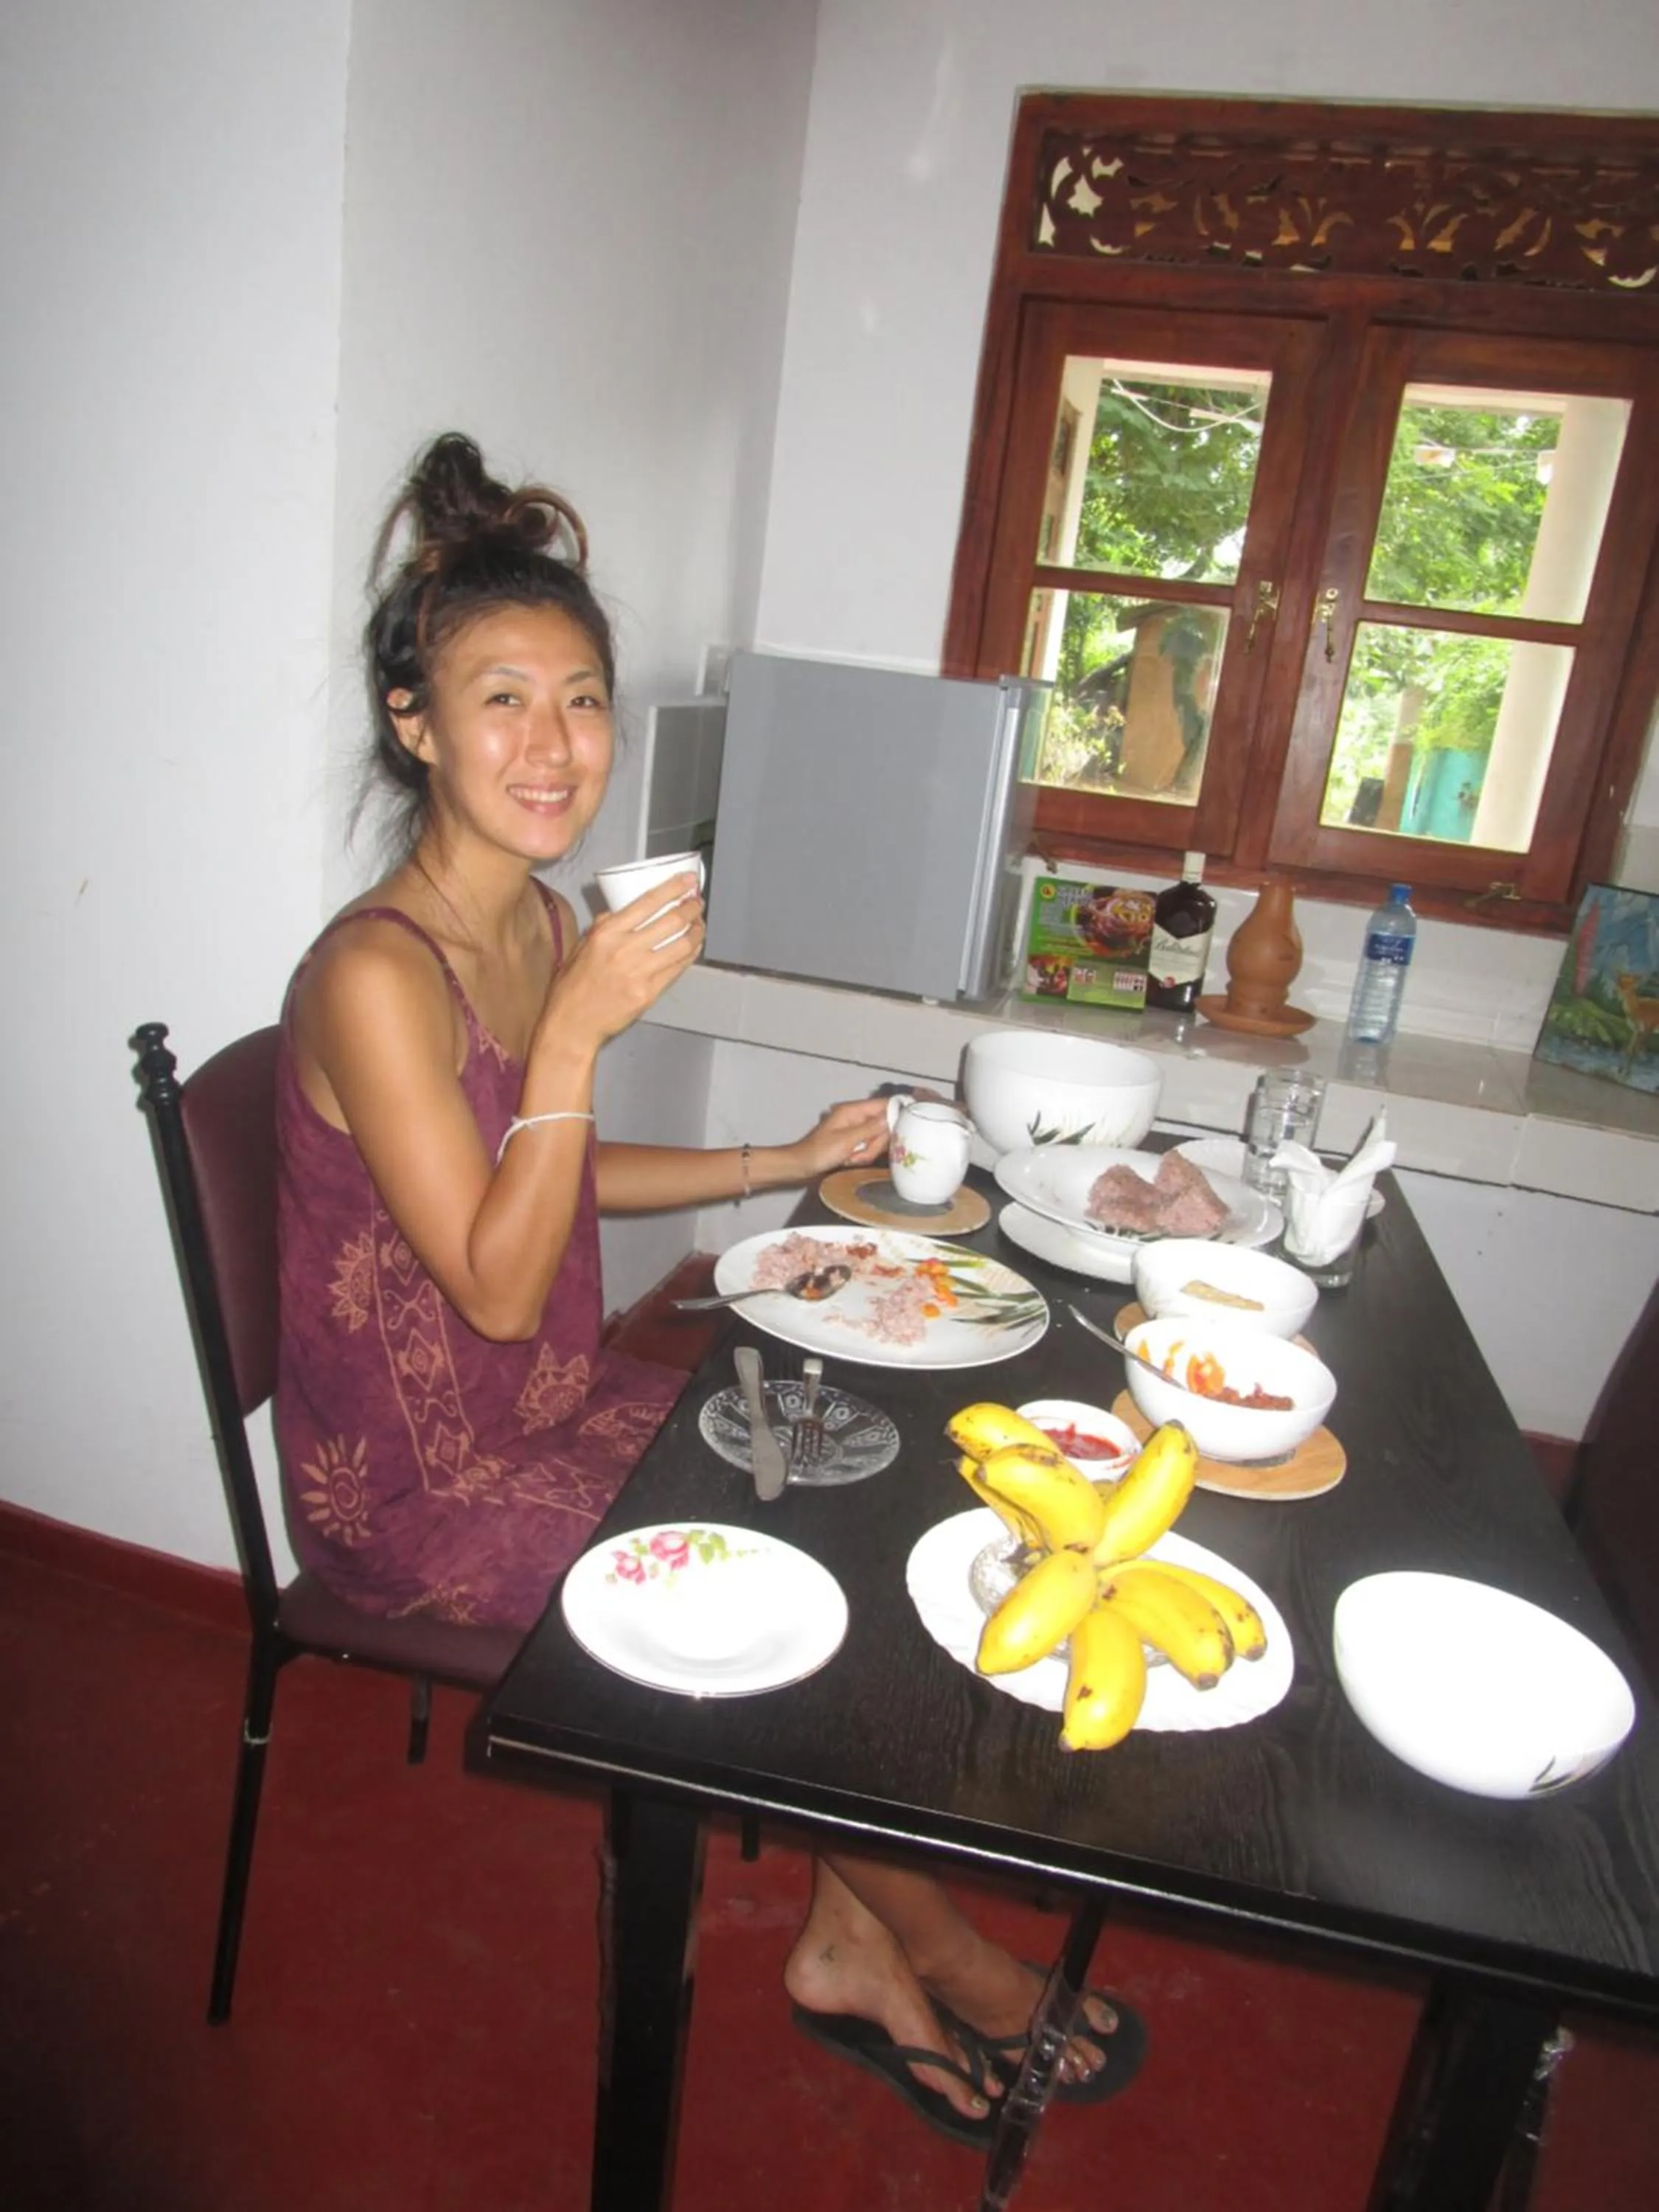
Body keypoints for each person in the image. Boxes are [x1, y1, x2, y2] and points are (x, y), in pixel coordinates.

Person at [275, 431, 1141, 2145]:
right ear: (415, 724)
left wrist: (776, 1161)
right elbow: (502, 1285)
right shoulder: (377, 975)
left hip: (557, 1400)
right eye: (501, 701)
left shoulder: (533, 923)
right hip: (426, 1482)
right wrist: (583, 1031)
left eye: (583, 701)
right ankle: (933, 1946)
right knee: (783, 1593)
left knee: (853, 1494)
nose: (554, 746)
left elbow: (545, 1174)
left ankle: (847, 1935)